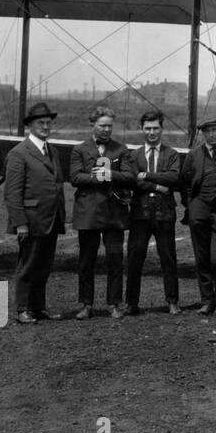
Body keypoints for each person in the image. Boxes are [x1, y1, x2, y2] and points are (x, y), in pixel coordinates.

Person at [70, 104, 135, 320]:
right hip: (88, 213)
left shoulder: (121, 149)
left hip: (114, 214)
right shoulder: (79, 149)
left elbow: (130, 177)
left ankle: (114, 304)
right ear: (93, 124)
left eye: (110, 126)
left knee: (115, 260)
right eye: (102, 126)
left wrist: (110, 174)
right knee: (86, 261)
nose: (107, 130)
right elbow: (75, 177)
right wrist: (95, 177)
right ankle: (86, 304)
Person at [4, 101, 66, 325]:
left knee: (44, 266)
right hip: (31, 221)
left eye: (49, 123)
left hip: (51, 220)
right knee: (27, 266)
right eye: (41, 122)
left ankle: (38, 307)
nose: (46, 127)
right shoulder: (19, 153)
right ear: (30, 125)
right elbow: (12, 194)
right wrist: (20, 223)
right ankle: (22, 309)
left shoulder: (53, 151)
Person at [124, 109, 183, 315]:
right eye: (148, 128)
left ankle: (172, 301)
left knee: (168, 257)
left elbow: (173, 178)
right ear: (142, 129)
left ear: (161, 129)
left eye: (155, 128)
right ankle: (131, 302)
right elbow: (133, 181)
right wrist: (157, 186)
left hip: (164, 213)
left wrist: (147, 175)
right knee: (134, 257)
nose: (152, 132)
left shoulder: (172, 154)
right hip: (140, 213)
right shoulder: (134, 155)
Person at [182, 115, 216, 316]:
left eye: (214, 130)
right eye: (206, 131)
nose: (210, 135)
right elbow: (184, 181)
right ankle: (207, 300)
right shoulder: (194, 154)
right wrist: (192, 205)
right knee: (201, 257)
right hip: (199, 208)